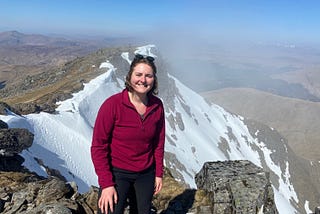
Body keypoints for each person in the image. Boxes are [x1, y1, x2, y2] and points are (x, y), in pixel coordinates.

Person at [91, 53, 165, 214]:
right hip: (118, 171)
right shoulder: (112, 105)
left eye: (148, 76)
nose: (143, 80)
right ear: (130, 76)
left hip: (145, 172)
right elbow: (98, 147)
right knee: (108, 211)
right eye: (138, 75)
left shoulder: (157, 106)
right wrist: (107, 184)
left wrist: (158, 173)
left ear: (154, 79)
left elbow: (158, 143)